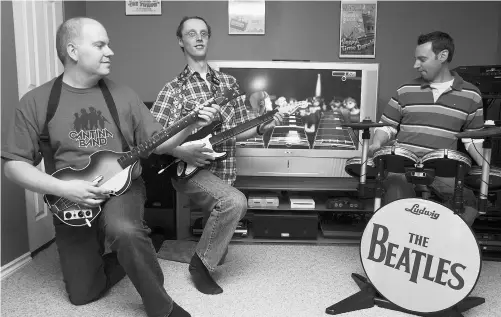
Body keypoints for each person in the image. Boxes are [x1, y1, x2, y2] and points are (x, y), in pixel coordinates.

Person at [2, 17, 220, 317]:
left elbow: (159, 144)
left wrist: (191, 123)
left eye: (108, 44)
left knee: (125, 230)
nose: (110, 52)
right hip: (69, 196)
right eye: (100, 45)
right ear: (73, 51)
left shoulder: (123, 95)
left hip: (123, 188)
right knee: (82, 295)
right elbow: (13, 166)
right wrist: (64, 188)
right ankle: (143, 249)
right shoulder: (37, 101)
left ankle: (162, 306)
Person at [150, 16, 283, 295]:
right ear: (181, 41)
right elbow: (153, 143)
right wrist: (179, 149)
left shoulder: (229, 83)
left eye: (203, 33)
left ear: (208, 39)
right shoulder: (173, 90)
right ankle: (199, 267)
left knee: (221, 249)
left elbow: (235, 132)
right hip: (188, 170)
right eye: (191, 34)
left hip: (224, 170)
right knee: (235, 202)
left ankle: (173, 249)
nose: (198, 38)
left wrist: (262, 127)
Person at [369, 31, 485, 227]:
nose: (415, 65)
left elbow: (473, 139)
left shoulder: (471, 95)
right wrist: (377, 142)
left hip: (443, 169)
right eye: (416, 59)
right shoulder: (405, 90)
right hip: (402, 167)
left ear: (443, 56)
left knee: (468, 203)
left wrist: (485, 166)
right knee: (397, 200)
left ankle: (439, 246)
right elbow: (388, 126)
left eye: (422, 59)